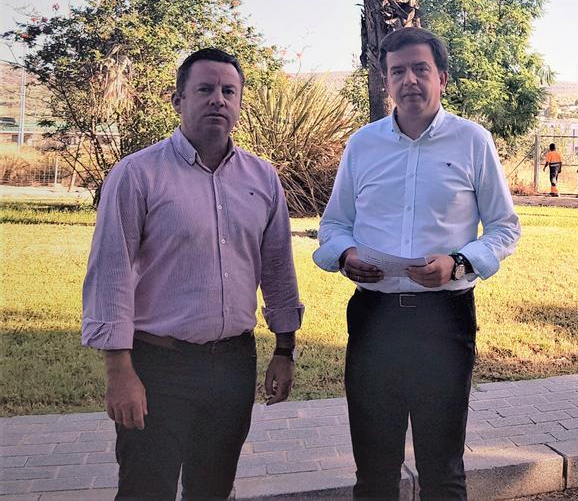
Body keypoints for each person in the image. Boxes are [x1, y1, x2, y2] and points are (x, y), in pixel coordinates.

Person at [82, 48, 303, 500]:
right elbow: (111, 274)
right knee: (147, 488)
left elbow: (278, 267)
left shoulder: (263, 179)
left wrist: (284, 348)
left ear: (240, 102)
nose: (217, 99)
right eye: (204, 89)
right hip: (158, 365)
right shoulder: (137, 175)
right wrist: (119, 372)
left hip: (232, 365)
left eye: (228, 91)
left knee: (214, 488)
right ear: (178, 100)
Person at [313, 27, 521, 500]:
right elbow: (333, 226)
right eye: (398, 71)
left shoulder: (472, 141)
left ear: (442, 78)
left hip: (442, 321)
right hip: (374, 319)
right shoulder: (362, 146)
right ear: (385, 82)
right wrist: (346, 256)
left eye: (420, 69)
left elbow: (506, 228)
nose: (409, 80)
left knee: (442, 469)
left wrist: (459, 262)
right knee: (374, 471)